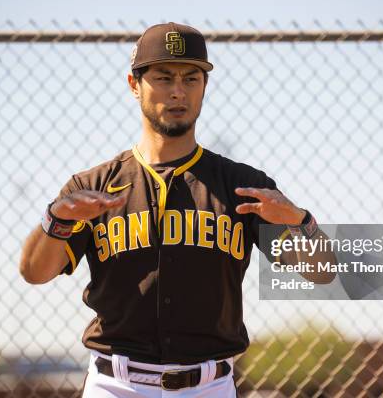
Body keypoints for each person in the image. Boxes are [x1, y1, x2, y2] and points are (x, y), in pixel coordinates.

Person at [19, 22, 335, 397]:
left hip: (208, 385)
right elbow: (34, 273)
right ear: (134, 85)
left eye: (191, 79)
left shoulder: (242, 186)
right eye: (164, 78)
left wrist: (301, 222)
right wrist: (57, 219)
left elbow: (323, 272)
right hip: (115, 384)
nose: (178, 92)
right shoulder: (92, 187)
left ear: (205, 87)